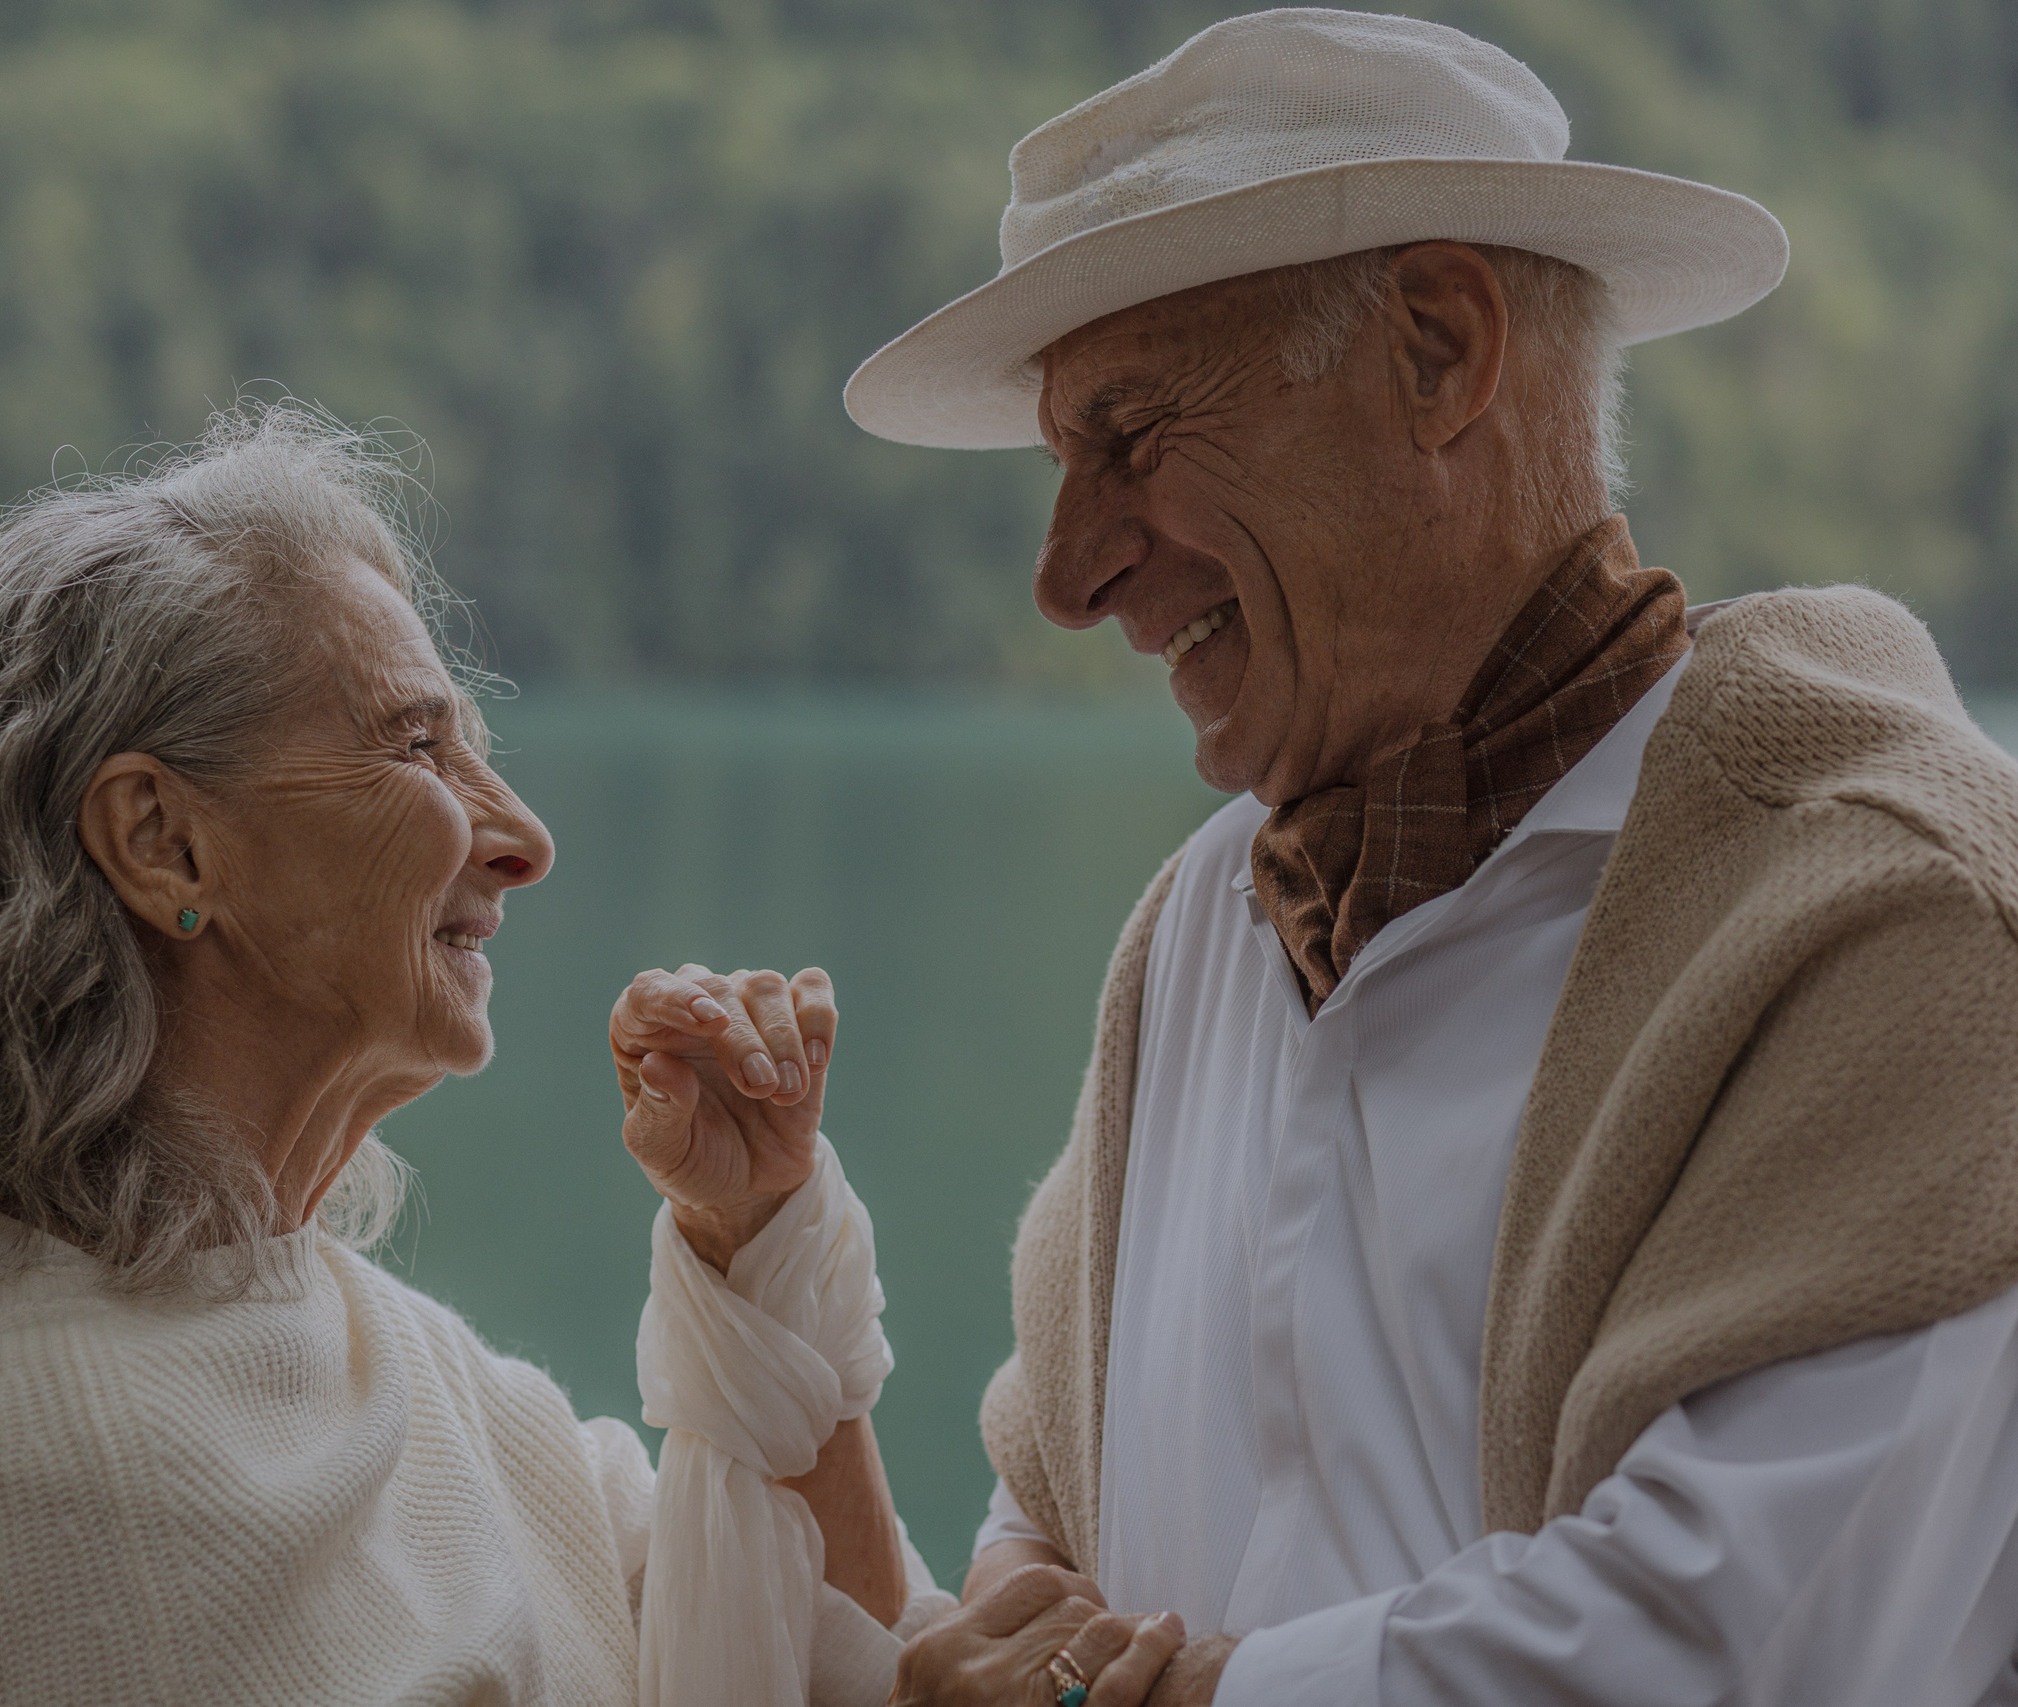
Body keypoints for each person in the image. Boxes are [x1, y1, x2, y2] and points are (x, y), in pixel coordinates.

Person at [845, 9, 2018, 1706]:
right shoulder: (1194, 931)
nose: (1071, 570)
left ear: (1438, 349)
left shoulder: (1896, 913)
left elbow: (1765, 1648)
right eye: (1060, 463)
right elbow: (1054, 1496)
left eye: (1131, 437)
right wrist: (1016, 1617)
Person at [0, 404, 997, 1707]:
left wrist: (758, 1237)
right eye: (417, 744)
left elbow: (844, 1656)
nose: (524, 838)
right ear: (165, 842)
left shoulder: (368, 1350)